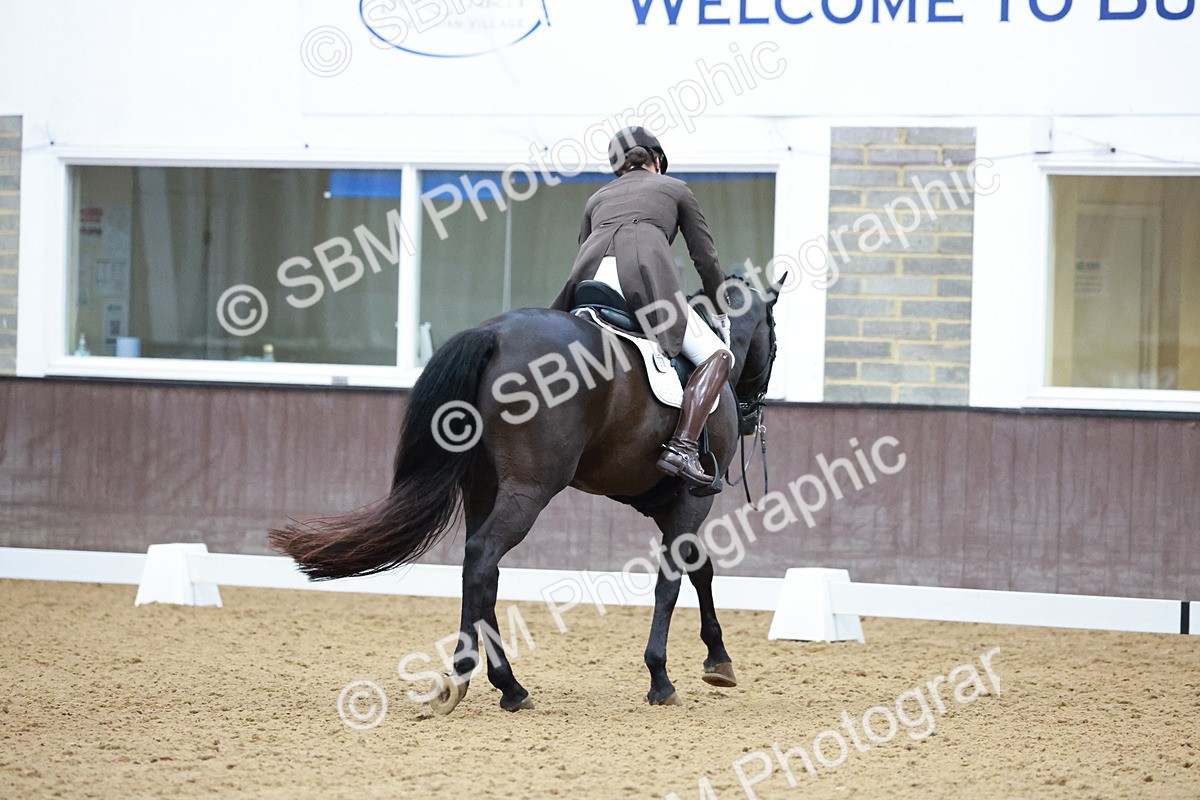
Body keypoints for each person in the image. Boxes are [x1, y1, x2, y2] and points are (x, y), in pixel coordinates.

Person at [551, 127, 733, 491]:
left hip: (589, 283)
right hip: (643, 282)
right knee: (719, 356)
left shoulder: (597, 197)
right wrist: (719, 309)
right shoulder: (676, 188)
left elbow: (582, 244)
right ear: (658, 161)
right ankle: (683, 447)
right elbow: (705, 257)